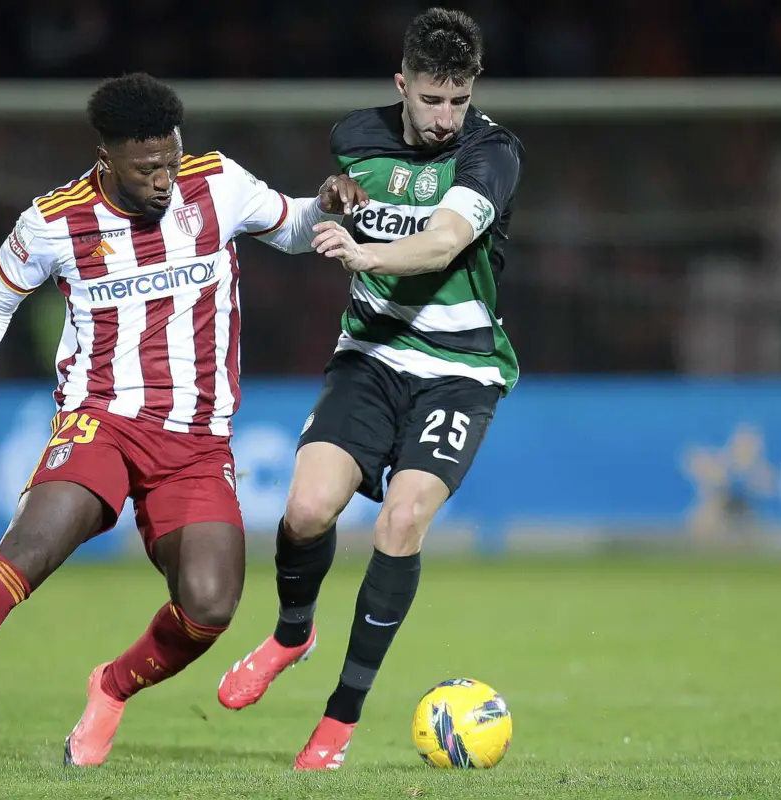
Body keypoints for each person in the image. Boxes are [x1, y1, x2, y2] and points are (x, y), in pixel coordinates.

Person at [0, 72, 369, 773]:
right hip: (102, 421)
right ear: (107, 158)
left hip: (196, 440)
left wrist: (328, 202)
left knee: (210, 609)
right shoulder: (53, 222)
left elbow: (298, 228)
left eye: (170, 157)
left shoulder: (216, 184)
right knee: (28, 551)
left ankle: (111, 686)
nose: (164, 176)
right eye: (146, 165)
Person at [216, 8, 525, 770]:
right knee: (306, 509)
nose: (446, 117)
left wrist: (365, 252)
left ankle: (339, 721)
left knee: (401, 519)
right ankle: (293, 633)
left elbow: (447, 239)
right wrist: (337, 197)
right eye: (431, 99)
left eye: (459, 99)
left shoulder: (493, 153)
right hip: (371, 357)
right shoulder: (354, 134)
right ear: (402, 84)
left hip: (460, 371)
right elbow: (353, 185)